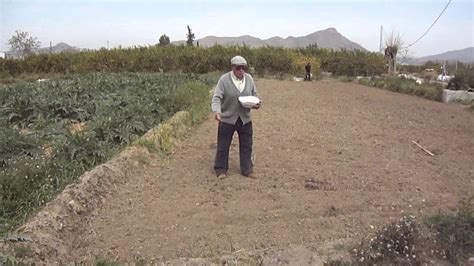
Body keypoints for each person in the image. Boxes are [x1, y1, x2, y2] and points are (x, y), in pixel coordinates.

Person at [211, 55, 260, 179]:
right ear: (232, 68)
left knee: (247, 145)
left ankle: (247, 169)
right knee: (223, 145)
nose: (241, 71)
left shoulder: (249, 79)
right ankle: (221, 169)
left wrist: (256, 103)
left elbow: (254, 94)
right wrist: (217, 111)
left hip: (245, 119)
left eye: (243, 68)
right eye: (238, 68)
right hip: (227, 118)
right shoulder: (224, 80)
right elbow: (217, 97)